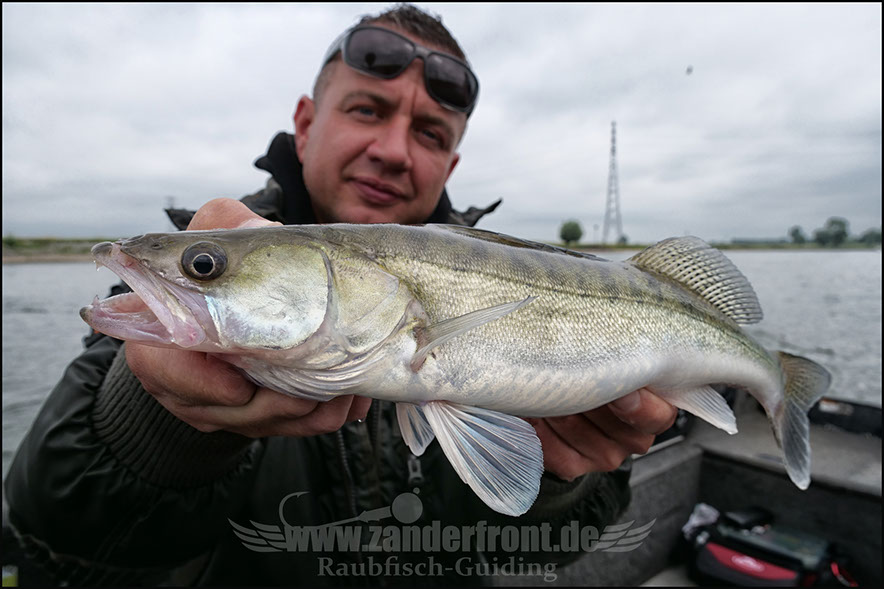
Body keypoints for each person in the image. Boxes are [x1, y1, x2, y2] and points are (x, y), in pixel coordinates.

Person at [4, 4, 677, 586]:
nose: (392, 150)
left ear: (452, 163)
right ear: (304, 121)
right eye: (367, 109)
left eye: (429, 133)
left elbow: (539, 545)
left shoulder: (519, 271)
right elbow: (57, 541)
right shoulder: (188, 280)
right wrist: (162, 426)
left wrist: (568, 477)